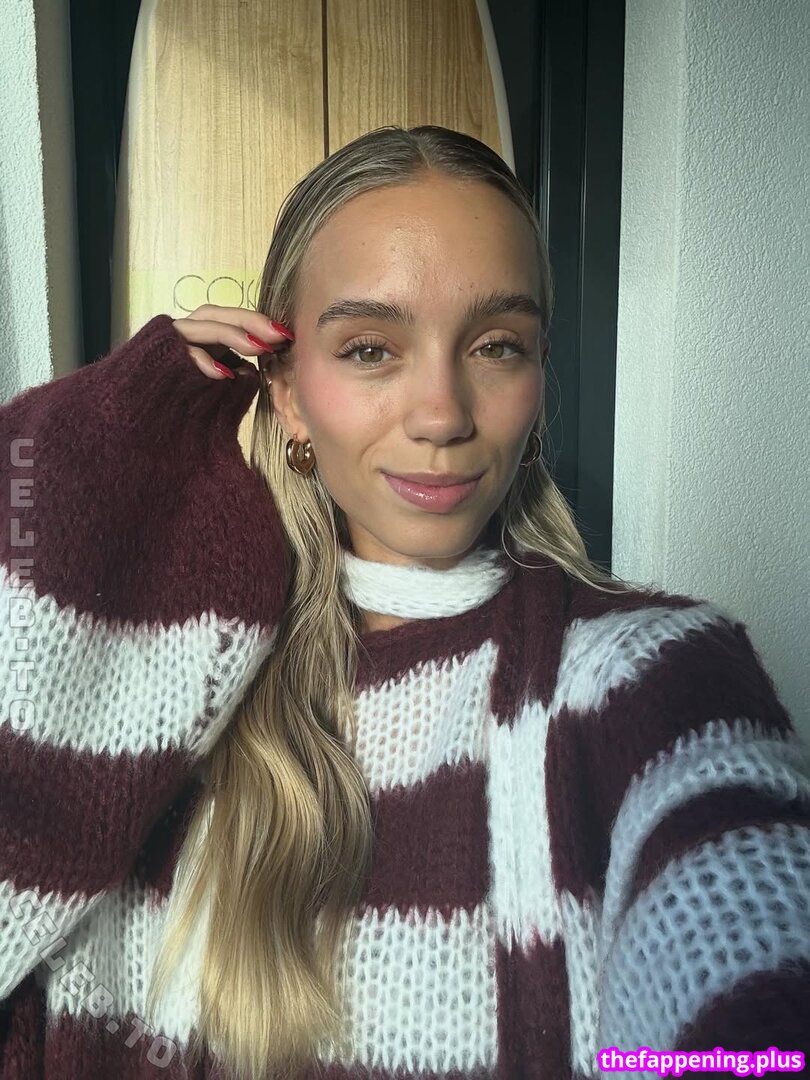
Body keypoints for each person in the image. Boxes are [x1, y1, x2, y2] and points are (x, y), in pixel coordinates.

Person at [0, 124, 808, 1080]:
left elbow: (755, 1009)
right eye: (371, 348)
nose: (443, 414)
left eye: (497, 345)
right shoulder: (158, 679)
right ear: (287, 392)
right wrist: (105, 429)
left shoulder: (650, 675)